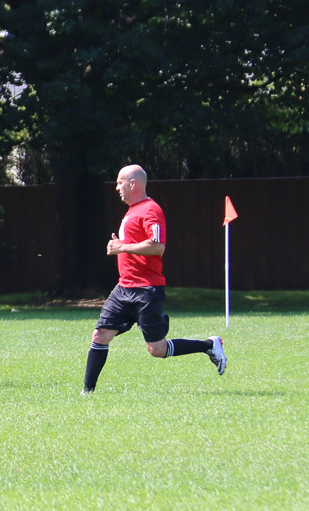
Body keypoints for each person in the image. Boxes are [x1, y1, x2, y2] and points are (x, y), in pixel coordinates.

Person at [82, 164, 225, 393]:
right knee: (100, 335)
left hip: (146, 289)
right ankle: (87, 392)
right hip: (124, 288)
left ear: (133, 184)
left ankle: (208, 345)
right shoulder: (132, 210)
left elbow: (158, 246)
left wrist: (122, 247)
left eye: (120, 182)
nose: (117, 187)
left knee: (156, 349)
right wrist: (121, 245)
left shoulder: (151, 210)